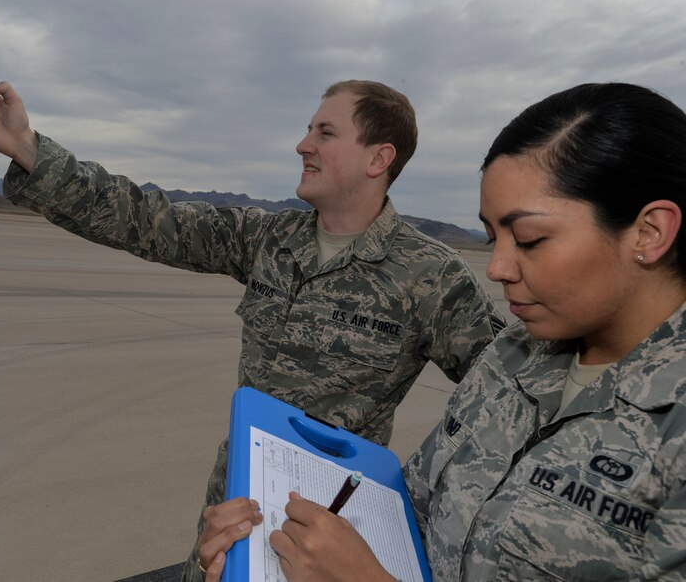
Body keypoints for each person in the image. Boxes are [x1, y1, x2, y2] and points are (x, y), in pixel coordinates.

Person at [0, 77, 504, 579]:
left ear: (378, 157)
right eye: (308, 129)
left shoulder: (432, 277)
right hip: (231, 515)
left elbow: (510, 394)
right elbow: (141, 217)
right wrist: (25, 145)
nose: (302, 144)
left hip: (326, 542)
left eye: (325, 132)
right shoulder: (267, 238)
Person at [196, 81, 686, 581]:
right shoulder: (510, 360)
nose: (496, 268)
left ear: (648, 232)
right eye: (493, 237)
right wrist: (266, 555)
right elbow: (408, 522)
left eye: (529, 239)